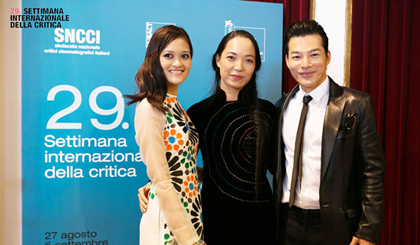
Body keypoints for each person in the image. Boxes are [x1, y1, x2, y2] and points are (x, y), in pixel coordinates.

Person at [139, 30, 276, 244]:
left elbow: (283, 171)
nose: (238, 67)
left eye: (248, 60)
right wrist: (154, 183)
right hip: (214, 219)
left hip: (262, 221)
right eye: (231, 57)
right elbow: (177, 163)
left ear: (256, 66)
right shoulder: (197, 113)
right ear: (218, 60)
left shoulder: (268, 113)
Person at [275, 19, 386, 245]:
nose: (305, 64)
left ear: (327, 57)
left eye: (314, 55)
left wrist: (368, 229)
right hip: (288, 221)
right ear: (287, 61)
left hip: (336, 225)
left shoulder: (355, 104)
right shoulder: (282, 105)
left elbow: (372, 170)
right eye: (296, 56)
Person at [126, 25, 205, 245]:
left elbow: (181, 165)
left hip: (189, 212)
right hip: (167, 222)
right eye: (168, 55)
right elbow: (162, 180)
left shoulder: (176, 106)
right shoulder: (149, 107)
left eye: (185, 56)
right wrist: (190, 240)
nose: (178, 63)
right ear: (154, 59)